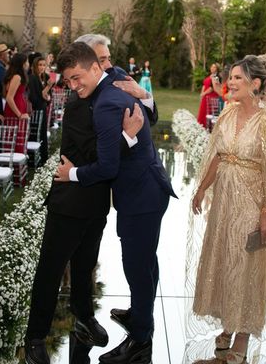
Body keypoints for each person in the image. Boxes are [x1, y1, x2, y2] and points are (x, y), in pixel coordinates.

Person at [54, 42, 175, 364]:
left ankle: (139, 343)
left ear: (96, 68)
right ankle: (140, 317)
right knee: (145, 263)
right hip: (146, 191)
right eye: (69, 81)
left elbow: (107, 167)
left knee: (137, 268)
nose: (74, 85)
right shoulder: (111, 84)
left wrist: (72, 173)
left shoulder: (107, 102)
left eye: (77, 77)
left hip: (141, 196)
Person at [24, 81, 145, 364]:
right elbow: (96, 153)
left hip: (96, 203)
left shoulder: (108, 101)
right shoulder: (78, 107)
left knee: (85, 265)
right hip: (68, 204)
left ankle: (84, 318)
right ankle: (35, 338)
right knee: (50, 271)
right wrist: (126, 136)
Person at [191, 53, 266, 364]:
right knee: (224, 260)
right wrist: (202, 187)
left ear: (255, 84)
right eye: (229, 78)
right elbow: (219, 155)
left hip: (251, 202)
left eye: (236, 78)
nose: (229, 83)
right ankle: (228, 324)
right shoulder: (228, 114)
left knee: (246, 268)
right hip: (224, 203)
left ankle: (241, 341)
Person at [3, 53, 30, 153]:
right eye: (26, 61)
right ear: (22, 63)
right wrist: (19, 114)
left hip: (18, 108)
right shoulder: (17, 77)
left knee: (17, 137)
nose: (28, 63)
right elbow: (9, 97)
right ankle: (15, 165)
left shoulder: (15, 75)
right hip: (15, 111)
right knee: (15, 138)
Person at [27, 56, 52, 163]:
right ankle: (36, 158)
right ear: (35, 66)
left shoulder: (46, 77)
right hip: (36, 110)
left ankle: (43, 156)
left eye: (43, 65)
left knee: (43, 133)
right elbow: (34, 96)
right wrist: (48, 88)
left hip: (43, 108)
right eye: (39, 65)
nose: (42, 67)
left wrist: (48, 97)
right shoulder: (32, 78)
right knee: (37, 133)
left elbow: (48, 96)